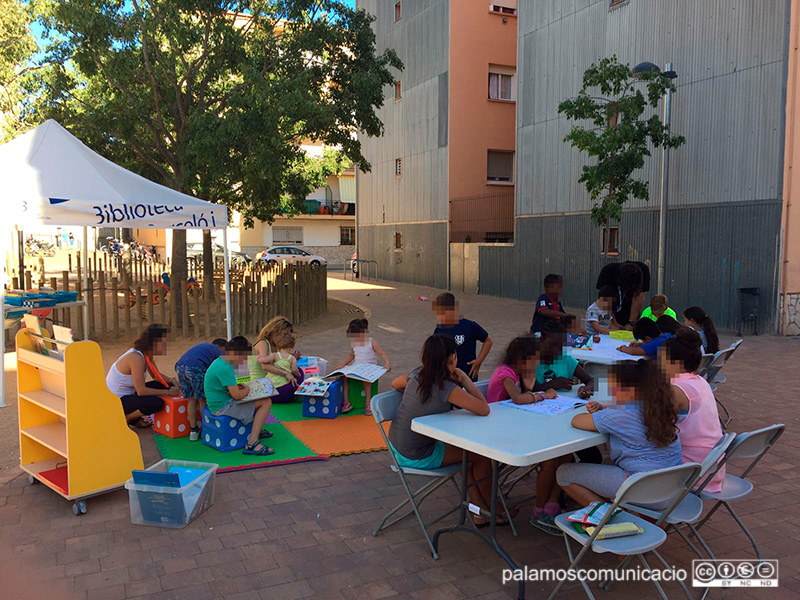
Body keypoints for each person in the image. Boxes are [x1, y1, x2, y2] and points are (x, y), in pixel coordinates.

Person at [389, 335, 507, 527]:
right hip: (416, 454)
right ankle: (496, 508)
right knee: (481, 456)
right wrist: (464, 378)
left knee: (466, 456)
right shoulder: (447, 388)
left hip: (396, 446)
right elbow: (484, 409)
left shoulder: (417, 374)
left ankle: (480, 511)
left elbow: (395, 383)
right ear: (452, 358)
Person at [557, 359, 682, 508]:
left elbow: (577, 421)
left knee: (564, 474)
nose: (610, 392)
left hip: (645, 490)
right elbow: (629, 413)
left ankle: (609, 517)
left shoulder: (617, 416)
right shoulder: (660, 406)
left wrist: (604, 412)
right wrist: (604, 408)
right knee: (604, 464)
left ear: (630, 391)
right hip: (673, 488)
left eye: (613, 387)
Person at [658, 328, 726, 492]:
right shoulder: (700, 382)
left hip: (691, 472)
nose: (657, 364)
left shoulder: (676, 390)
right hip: (712, 468)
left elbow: (648, 424)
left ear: (675, 363)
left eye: (661, 360)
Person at [204, 336, 274, 455]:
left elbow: (228, 385)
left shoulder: (221, 360)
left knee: (259, 399)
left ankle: (256, 429)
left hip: (221, 401)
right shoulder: (226, 367)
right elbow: (237, 395)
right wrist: (247, 389)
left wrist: (239, 386)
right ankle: (252, 443)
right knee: (266, 402)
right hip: (222, 407)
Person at [106, 324, 178, 427]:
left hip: (130, 394)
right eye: (164, 343)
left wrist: (171, 380)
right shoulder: (136, 358)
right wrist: (168, 392)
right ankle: (127, 418)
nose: (166, 346)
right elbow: (141, 391)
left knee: (163, 385)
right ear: (154, 343)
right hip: (116, 401)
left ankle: (135, 417)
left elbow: (156, 376)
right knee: (157, 403)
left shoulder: (146, 354)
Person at [174, 338, 227, 441]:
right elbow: (218, 371)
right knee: (202, 399)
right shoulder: (217, 352)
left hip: (180, 367)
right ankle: (206, 428)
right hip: (196, 368)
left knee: (191, 399)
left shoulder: (204, 348)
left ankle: (193, 430)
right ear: (220, 347)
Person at [335, 318, 391, 415]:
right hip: (357, 367)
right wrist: (343, 364)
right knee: (342, 376)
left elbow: (381, 353)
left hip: (369, 368)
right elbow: (351, 355)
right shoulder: (354, 343)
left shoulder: (371, 342)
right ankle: (346, 402)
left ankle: (368, 403)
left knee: (365, 379)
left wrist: (387, 363)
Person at [432, 292, 493, 381]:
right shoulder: (439, 330)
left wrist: (479, 361)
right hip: (448, 377)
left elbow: (488, 340)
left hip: (468, 375)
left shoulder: (469, 326)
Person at [487, 335, 557, 404]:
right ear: (520, 360)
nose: (536, 364)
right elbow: (518, 399)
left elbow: (524, 397)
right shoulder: (505, 373)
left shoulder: (518, 373)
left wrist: (528, 388)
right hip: (497, 411)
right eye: (533, 361)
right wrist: (546, 395)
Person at [532, 321, 594, 400]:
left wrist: (586, 389)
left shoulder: (565, 359)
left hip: (563, 405)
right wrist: (550, 385)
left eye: (561, 345)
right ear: (541, 340)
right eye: (553, 345)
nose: (558, 350)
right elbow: (523, 390)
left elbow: (591, 380)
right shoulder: (530, 360)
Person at [595, 261, 651, 329]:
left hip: (628, 311)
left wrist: (631, 322)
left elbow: (638, 297)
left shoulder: (643, 270)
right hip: (609, 311)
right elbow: (603, 302)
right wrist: (612, 323)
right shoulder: (608, 271)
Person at [257, 329, 304, 404]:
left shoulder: (274, 355)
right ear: (291, 349)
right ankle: (295, 395)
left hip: (271, 392)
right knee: (300, 371)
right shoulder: (292, 358)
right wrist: (299, 375)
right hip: (284, 392)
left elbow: (264, 361)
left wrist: (259, 358)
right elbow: (295, 370)